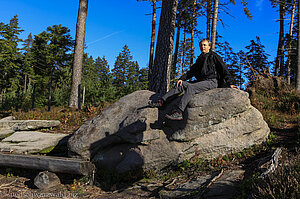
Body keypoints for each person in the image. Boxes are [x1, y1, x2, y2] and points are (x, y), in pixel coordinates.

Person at [149, 39, 239, 120]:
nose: (202, 47)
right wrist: (181, 79)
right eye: (201, 45)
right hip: (202, 82)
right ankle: (162, 101)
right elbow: (191, 72)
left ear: (209, 46)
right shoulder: (200, 59)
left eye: (204, 45)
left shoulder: (214, 56)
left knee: (191, 88)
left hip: (212, 82)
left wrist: (230, 83)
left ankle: (179, 112)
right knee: (182, 84)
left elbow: (224, 69)